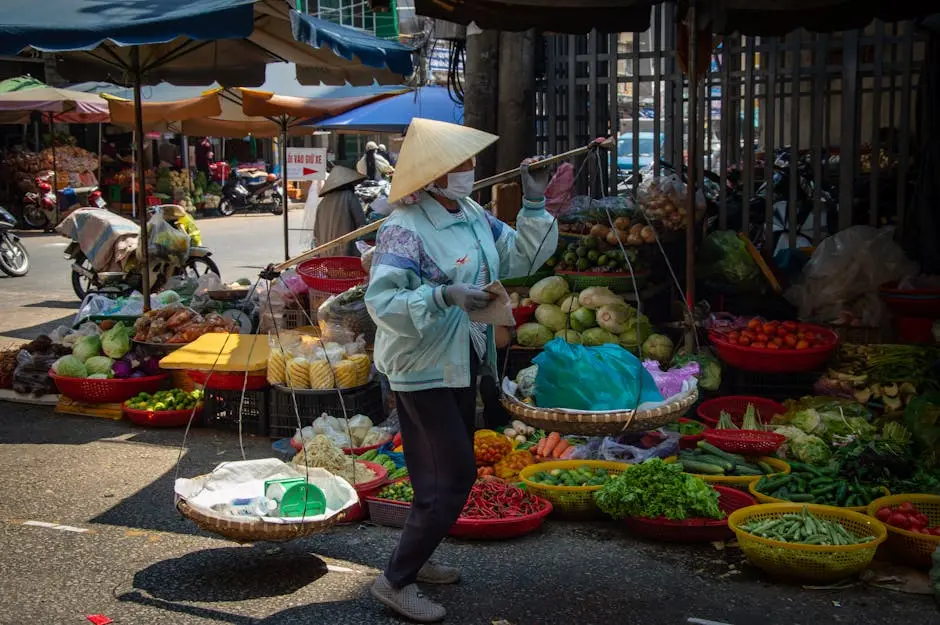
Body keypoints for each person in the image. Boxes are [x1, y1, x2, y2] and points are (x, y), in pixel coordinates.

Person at [365, 118, 557, 623]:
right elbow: (382, 302)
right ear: (431, 176)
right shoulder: (403, 228)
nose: (470, 171)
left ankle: (415, 559)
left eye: (470, 161)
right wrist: (440, 294)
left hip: (462, 357)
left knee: (432, 476)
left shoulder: (472, 213)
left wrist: (534, 204)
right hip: (421, 364)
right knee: (454, 476)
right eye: (459, 164)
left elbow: (520, 256)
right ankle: (394, 581)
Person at [310, 166, 367, 256]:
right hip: (345, 253)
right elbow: (362, 224)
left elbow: (316, 233)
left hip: (325, 254)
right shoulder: (349, 196)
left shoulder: (322, 203)